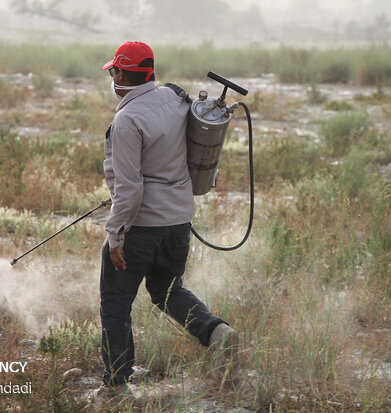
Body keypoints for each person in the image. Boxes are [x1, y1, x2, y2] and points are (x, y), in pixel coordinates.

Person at [97, 41, 239, 396]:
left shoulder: (128, 119)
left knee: (115, 301)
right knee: (167, 289)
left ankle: (116, 384)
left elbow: (129, 190)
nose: (112, 76)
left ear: (123, 74)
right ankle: (217, 333)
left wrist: (115, 236)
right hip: (178, 221)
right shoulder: (177, 98)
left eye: (114, 70)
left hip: (142, 227)